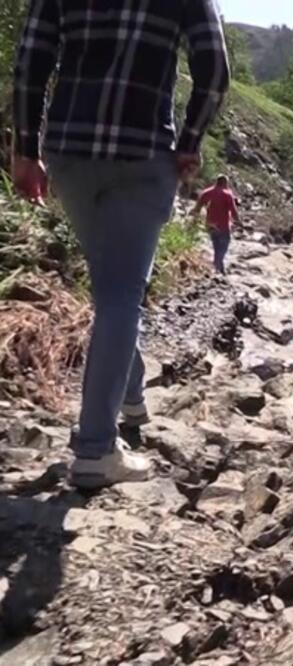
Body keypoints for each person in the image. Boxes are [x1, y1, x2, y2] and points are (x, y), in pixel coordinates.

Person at [12, 0, 231, 488]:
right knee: (121, 293)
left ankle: (131, 397)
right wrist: (190, 141)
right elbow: (214, 70)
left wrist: (25, 149)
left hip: (70, 152)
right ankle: (96, 449)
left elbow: (31, 60)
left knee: (110, 286)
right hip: (143, 153)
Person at [193, 175, 240, 274]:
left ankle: (218, 264)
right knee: (224, 244)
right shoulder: (227, 194)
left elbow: (198, 207)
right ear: (225, 183)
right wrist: (238, 221)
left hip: (210, 224)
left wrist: (195, 218)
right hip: (223, 225)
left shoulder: (207, 192)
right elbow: (233, 210)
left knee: (216, 244)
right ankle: (218, 263)